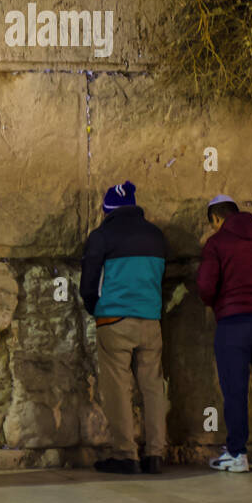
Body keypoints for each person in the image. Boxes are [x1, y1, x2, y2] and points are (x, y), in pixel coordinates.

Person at [80, 180, 168, 475]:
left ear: (108, 210)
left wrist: (95, 307)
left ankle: (126, 454)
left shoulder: (102, 236)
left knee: (118, 387)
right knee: (153, 386)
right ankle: (156, 454)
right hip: (151, 320)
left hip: (114, 320)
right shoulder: (156, 236)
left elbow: (89, 282)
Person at [196, 195, 252, 473]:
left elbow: (206, 286)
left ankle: (237, 454)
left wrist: (217, 303)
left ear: (216, 218)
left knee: (235, 391)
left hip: (234, 322)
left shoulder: (218, 243)